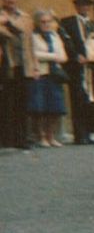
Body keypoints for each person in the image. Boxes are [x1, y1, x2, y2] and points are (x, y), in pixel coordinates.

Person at [60, 0, 94, 145]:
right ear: (76, 6)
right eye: (81, 5)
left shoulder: (92, 24)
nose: (84, 8)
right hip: (76, 67)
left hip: (91, 68)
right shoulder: (68, 22)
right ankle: (79, 135)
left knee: (90, 100)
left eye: (87, 5)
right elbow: (65, 42)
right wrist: (75, 56)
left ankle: (90, 132)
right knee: (77, 100)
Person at [0, 0, 35, 149]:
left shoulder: (25, 16)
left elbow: (27, 37)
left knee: (22, 103)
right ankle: (7, 139)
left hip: (24, 64)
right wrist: (7, 26)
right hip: (7, 64)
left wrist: (34, 67)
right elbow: (7, 35)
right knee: (6, 102)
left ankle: (22, 139)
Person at [28, 10, 69, 147]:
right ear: (38, 23)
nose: (46, 24)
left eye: (48, 21)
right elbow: (33, 53)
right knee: (40, 108)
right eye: (43, 22)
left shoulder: (55, 36)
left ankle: (51, 136)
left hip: (54, 75)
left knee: (55, 108)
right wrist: (52, 56)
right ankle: (41, 137)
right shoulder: (33, 37)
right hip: (40, 74)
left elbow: (63, 57)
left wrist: (48, 55)